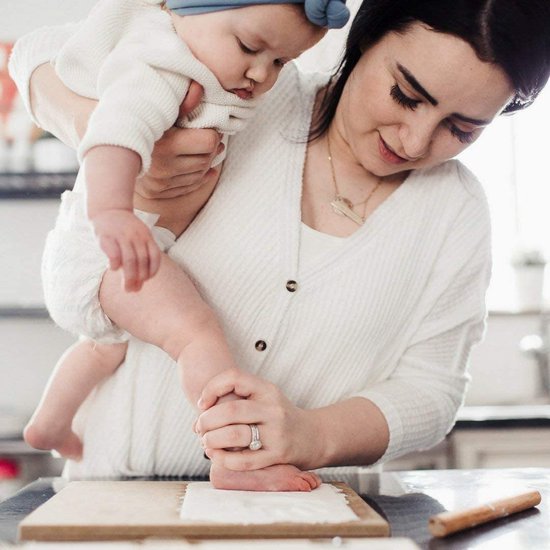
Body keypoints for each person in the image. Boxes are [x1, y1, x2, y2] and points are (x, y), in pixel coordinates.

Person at [9, 0, 550, 491]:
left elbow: (432, 393)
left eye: (460, 129)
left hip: (302, 516)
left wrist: (310, 435)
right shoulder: (238, 97)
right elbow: (36, 54)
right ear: (365, 38)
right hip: (116, 501)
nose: (414, 140)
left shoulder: (455, 213)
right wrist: (101, 126)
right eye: (405, 95)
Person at [10, 0, 343, 492]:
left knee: (107, 348)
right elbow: (112, 137)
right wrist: (114, 213)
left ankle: (51, 423)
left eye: (280, 62)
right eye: (250, 47)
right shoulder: (163, 67)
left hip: (93, 257)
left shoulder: (205, 66)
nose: (259, 73)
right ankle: (232, 457)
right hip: (105, 253)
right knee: (197, 335)